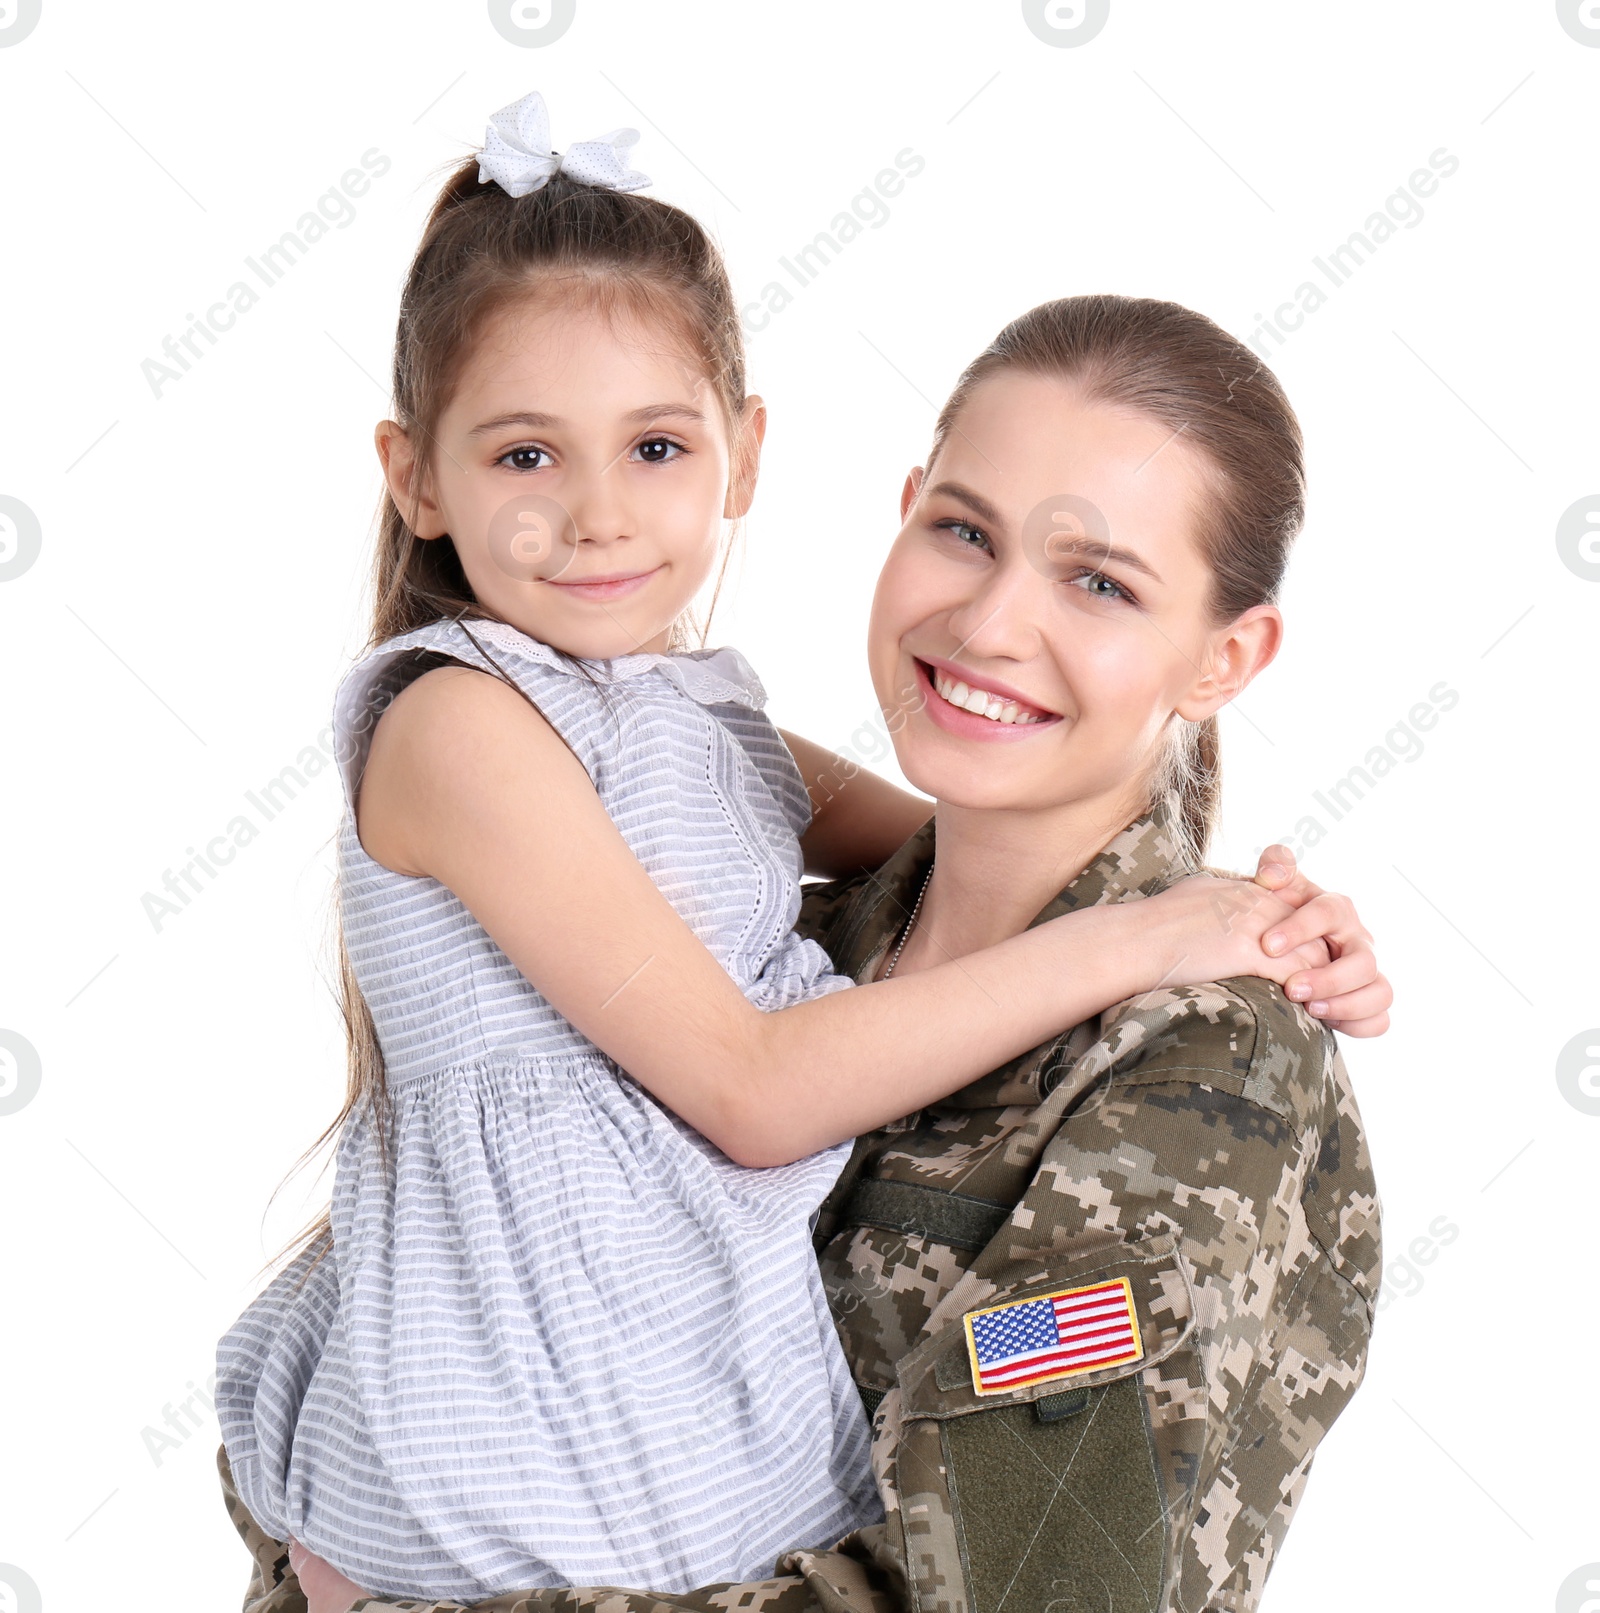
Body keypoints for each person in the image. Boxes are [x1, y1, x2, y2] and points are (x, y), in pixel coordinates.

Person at [212, 96, 1384, 1613]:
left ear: (1226, 657)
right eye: (965, 532)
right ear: (898, 515)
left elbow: (1018, 1592)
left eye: (1097, 579)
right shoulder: (789, 914)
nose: (991, 622)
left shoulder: (1194, 1069)